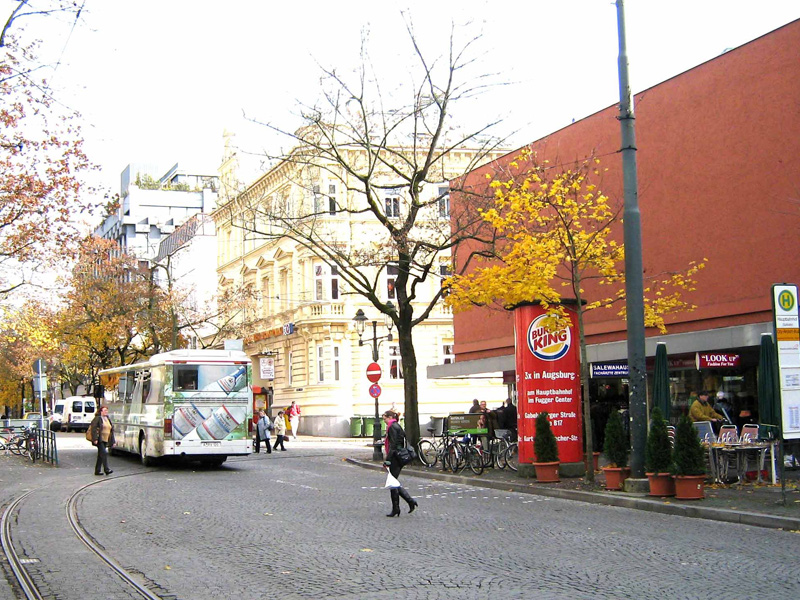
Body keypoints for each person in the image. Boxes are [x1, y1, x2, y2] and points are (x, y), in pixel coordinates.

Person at [382, 410, 418, 517]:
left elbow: (393, 444)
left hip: (395, 457)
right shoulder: (396, 425)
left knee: (393, 483)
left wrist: (388, 460)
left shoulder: (392, 427)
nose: (384, 421)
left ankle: (405, 504)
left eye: (384, 419)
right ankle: (401, 506)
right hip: (397, 456)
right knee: (393, 482)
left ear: (389, 417)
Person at [89, 405, 115, 475]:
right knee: (104, 453)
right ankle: (106, 469)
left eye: (107, 410)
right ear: (101, 411)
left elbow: (111, 430)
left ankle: (97, 470)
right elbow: (93, 429)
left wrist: (113, 441)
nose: (106, 412)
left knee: (100, 455)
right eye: (104, 410)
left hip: (106, 439)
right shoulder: (97, 418)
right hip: (99, 439)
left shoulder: (107, 418)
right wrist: (95, 439)